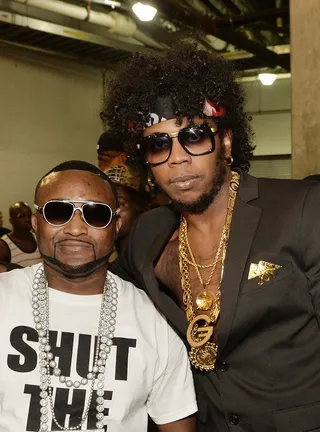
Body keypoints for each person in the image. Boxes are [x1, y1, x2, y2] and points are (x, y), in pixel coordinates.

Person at [102, 39, 320, 431]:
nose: (178, 158)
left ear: (226, 141)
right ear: (145, 161)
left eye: (194, 136)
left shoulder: (302, 208)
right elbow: (101, 298)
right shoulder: (147, 235)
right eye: (158, 144)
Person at [0, 160, 197, 432]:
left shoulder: (154, 318)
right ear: (36, 222)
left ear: (115, 226)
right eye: (58, 212)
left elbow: (176, 423)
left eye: (95, 215)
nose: (76, 229)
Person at [105, 164, 149, 255]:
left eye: (119, 203)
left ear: (142, 210)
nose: (109, 210)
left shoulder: (150, 262)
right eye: (104, 203)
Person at [0, 202, 41, 266]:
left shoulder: (39, 238)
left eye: (29, 215)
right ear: (11, 220)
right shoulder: (3, 246)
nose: (27, 219)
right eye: (22, 216)